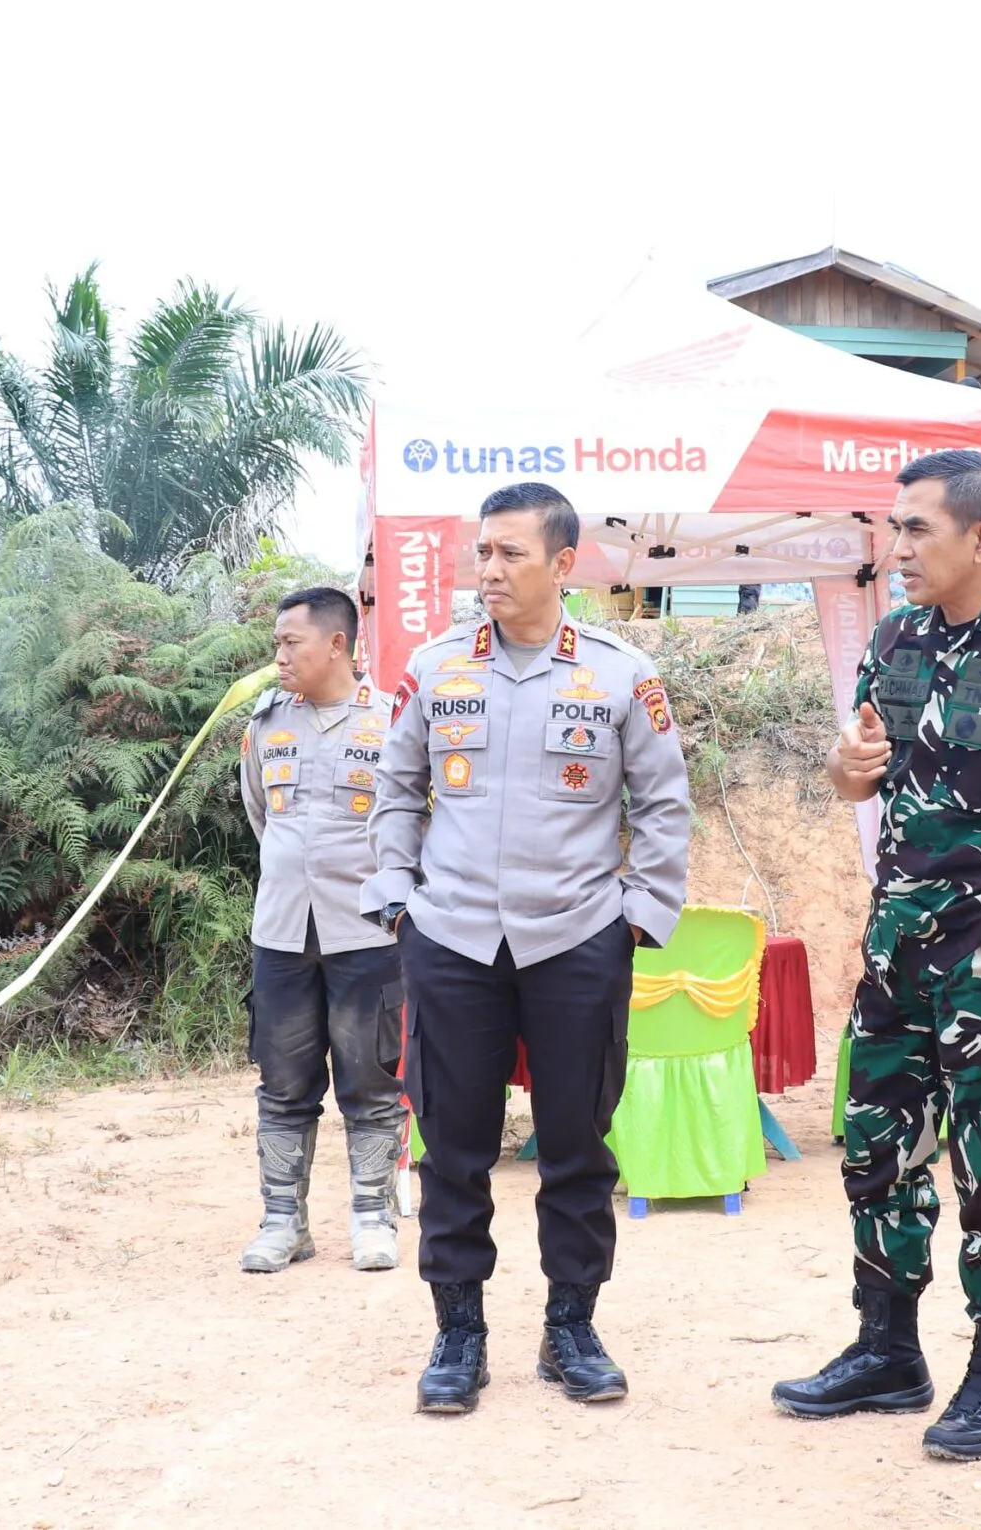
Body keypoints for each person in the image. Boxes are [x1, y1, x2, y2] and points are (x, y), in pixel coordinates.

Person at [769, 449, 981, 1462]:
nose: (898, 548)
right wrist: (846, 766)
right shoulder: (895, 638)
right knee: (877, 1151)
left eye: (916, 528)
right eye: (894, 528)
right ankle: (887, 1350)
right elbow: (856, 777)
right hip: (897, 945)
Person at [362, 482, 692, 1416]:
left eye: (511, 553)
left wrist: (637, 917)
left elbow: (663, 802)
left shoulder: (622, 675)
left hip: (578, 938)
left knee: (578, 1145)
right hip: (452, 937)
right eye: (484, 551)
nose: (491, 569)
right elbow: (397, 790)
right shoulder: (435, 669)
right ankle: (458, 1332)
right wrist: (398, 901)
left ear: (563, 564)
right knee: (452, 1145)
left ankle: (571, 1327)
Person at [237, 585, 406, 1275]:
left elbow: (414, 823)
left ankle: (373, 1217)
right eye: (277, 643)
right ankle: (284, 1222)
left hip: (367, 931)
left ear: (337, 644)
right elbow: (260, 812)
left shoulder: (392, 722)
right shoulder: (265, 723)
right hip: (281, 930)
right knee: (283, 1082)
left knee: (370, 1080)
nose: (279, 656)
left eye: (291, 642)